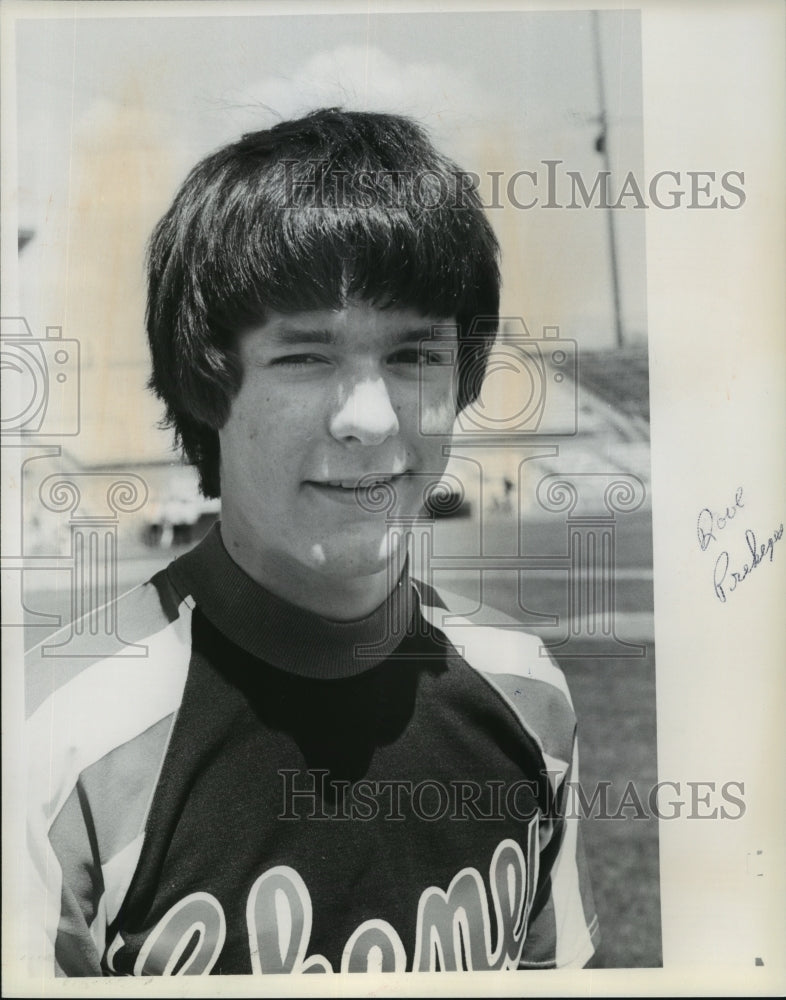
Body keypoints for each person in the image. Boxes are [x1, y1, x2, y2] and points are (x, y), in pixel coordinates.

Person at [25, 108, 599, 976]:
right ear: (208, 383)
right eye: (304, 357)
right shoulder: (60, 743)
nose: (369, 419)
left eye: (414, 355)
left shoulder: (528, 694)